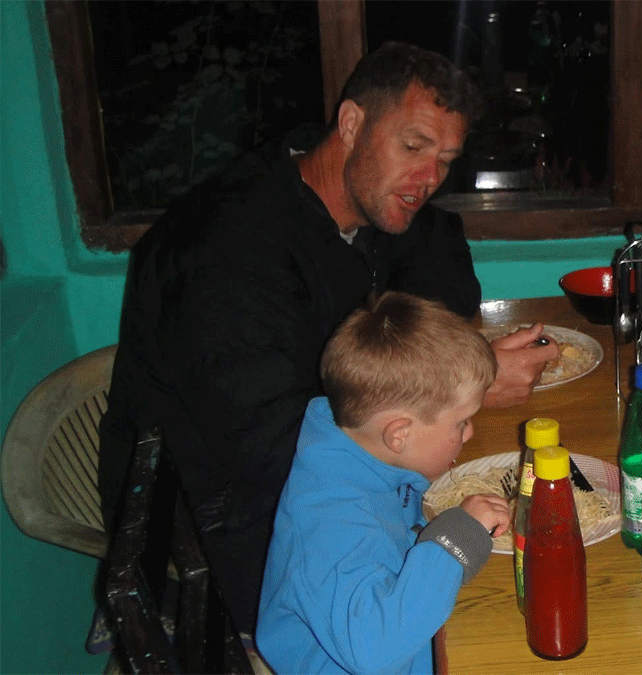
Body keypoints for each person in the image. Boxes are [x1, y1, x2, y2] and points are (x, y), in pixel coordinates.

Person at [97, 42, 556, 634]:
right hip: (207, 518)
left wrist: (440, 376)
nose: (427, 178)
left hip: (322, 474)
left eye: (444, 159)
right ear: (350, 123)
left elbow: (448, 277)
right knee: (484, 610)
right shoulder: (225, 251)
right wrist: (452, 390)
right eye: (412, 146)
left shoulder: (373, 198)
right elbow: (272, 445)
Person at [255, 291, 510, 674]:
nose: (470, 433)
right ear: (399, 434)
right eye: (461, 422)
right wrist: (454, 543)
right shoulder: (331, 523)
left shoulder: (361, 457)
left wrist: (455, 546)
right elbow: (375, 653)